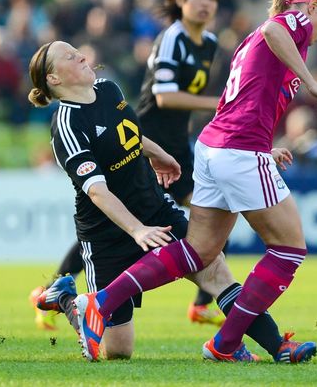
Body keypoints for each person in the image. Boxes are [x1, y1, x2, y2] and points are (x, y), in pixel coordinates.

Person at [72, 0, 317, 362]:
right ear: (312, 6)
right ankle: (225, 344)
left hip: (218, 147)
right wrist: (312, 83)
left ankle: (100, 301)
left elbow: (247, 98)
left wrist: (266, 149)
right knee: (289, 249)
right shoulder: (292, 23)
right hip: (237, 151)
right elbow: (272, 29)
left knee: (199, 250)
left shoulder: (261, 41)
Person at [27, 40, 294, 361]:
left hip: (155, 208)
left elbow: (130, 133)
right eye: (70, 57)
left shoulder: (109, 89)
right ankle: (68, 301)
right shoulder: (67, 125)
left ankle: (277, 345)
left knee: (213, 271)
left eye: (78, 51)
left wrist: (161, 154)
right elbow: (96, 191)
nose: (82, 55)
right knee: (119, 350)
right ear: (54, 79)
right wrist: (137, 230)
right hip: (107, 234)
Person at [136, 0, 226, 327]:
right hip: (147, 145)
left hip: (177, 146)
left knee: (215, 217)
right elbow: (164, 97)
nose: (206, 4)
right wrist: (218, 103)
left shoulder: (212, 43)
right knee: (122, 223)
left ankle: (203, 303)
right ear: (180, 0)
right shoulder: (172, 37)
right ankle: (52, 287)